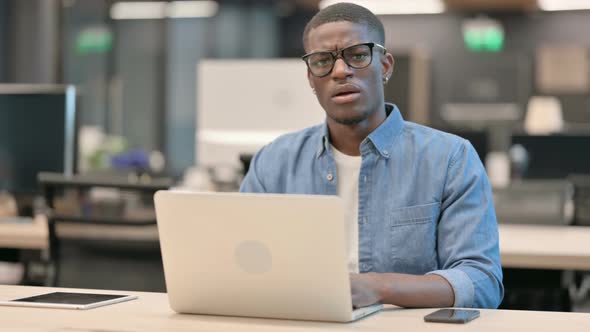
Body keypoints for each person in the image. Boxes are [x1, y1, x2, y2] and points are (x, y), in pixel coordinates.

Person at [240, 2, 503, 309]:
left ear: (386, 65)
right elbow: (245, 265)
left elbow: (481, 282)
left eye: (358, 55)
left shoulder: (450, 159)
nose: (340, 71)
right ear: (311, 78)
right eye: (323, 61)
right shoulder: (273, 163)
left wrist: (378, 287)